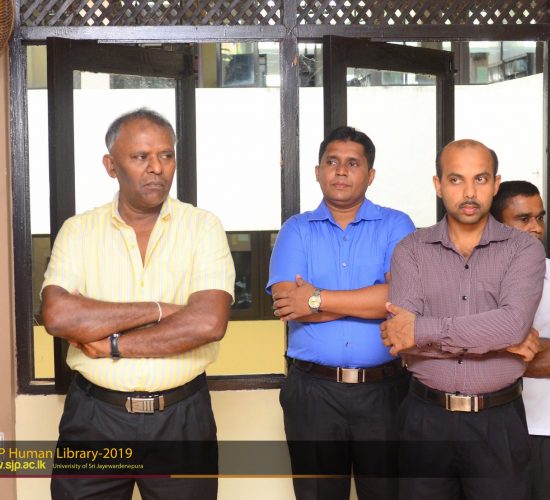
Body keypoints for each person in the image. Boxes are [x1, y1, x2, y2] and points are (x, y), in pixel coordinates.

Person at [41, 108, 235, 500]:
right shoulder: (78, 231)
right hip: (95, 419)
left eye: (166, 155)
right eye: (140, 157)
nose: (157, 168)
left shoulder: (203, 227)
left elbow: (208, 324)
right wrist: (160, 309)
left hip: (182, 418)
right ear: (111, 166)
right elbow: (58, 315)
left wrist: (113, 344)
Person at [381, 140, 546, 500]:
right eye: (456, 179)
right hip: (425, 420)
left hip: (498, 422)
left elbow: (512, 324)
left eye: (480, 179)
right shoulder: (410, 250)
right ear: (438, 185)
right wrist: (497, 341)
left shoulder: (524, 249)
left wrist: (423, 330)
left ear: (495, 184)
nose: (469, 192)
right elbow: (402, 342)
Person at [267, 126, 415, 500]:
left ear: (371, 174)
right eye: (332, 162)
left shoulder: (396, 225)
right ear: (318, 171)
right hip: (312, 393)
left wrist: (316, 299)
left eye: (353, 163)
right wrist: (370, 301)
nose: (341, 171)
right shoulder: (296, 230)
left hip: (385, 392)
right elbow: (288, 303)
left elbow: (401, 299)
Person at [491, 180, 550, 500]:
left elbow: (461, 356)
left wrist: (484, 351)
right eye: (524, 219)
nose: (536, 228)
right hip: (489, 431)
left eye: (540, 218)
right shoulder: (473, 284)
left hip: (543, 431)